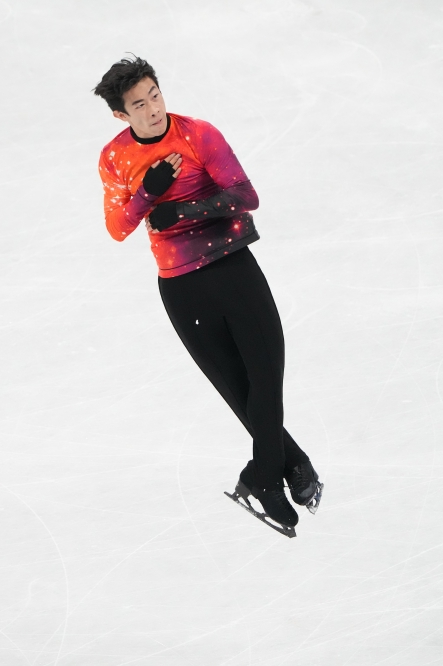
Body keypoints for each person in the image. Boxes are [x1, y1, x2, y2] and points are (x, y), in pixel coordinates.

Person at [92, 56, 322, 535]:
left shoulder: (198, 135)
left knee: (266, 378)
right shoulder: (115, 158)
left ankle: (262, 477)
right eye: (139, 104)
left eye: (155, 94)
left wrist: (182, 209)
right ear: (121, 115)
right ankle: (287, 464)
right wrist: (147, 192)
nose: (154, 109)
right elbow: (118, 228)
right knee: (239, 389)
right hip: (182, 286)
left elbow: (245, 195)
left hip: (234, 266)